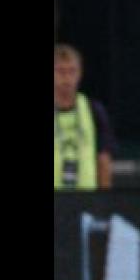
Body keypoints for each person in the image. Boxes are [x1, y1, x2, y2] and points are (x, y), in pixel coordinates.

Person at [55, 43, 116, 190]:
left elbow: (104, 158)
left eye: (72, 71)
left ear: (80, 73)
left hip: (86, 199)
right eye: (60, 71)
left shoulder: (93, 109)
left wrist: (104, 201)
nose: (67, 78)